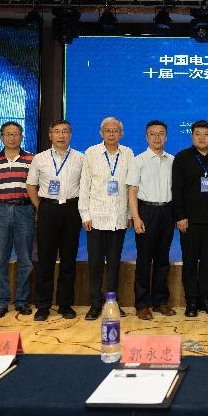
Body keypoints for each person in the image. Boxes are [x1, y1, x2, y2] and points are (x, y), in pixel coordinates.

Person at [27, 120, 84, 321]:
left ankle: (65, 304)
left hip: (71, 209)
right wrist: (40, 207)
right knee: (45, 260)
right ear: (50, 135)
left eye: (65, 131)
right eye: (57, 132)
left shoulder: (80, 158)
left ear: (70, 135)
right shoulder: (40, 158)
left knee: (69, 259)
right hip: (48, 209)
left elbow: (85, 186)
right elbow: (31, 186)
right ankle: (43, 305)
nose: (61, 135)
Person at [79, 117, 134, 320]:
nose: (111, 134)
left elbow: (130, 187)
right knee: (95, 264)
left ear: (121, 134)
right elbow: (84, 186)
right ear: (101, 133)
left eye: (115, 130)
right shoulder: (91, 153)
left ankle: (112, 303)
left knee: (114, 264)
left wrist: (129, 214)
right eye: (108, 131)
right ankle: (95, 304)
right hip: (96, 217)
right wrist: (85, 214)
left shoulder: (128, 153)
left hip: (118, 218)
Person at [172, 120, 208, 317]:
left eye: (206, 134)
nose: (202, 138)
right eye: (198, 134)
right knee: (190, 262)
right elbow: (176, 189)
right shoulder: (182, 158)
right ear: (192, 135)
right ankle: (191, 302)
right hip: (189, 221)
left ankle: (206, 300)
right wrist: (180, 216)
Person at [0, 121, 35, 318]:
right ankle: (1, 302)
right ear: (1, 137)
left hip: (24, 210)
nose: (12, 138)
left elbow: (36, 187)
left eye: (16, 134)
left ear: (21, 136)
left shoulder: (32, 159)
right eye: (8, 134)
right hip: (0, 211)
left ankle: (22, 301)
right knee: (0, 260)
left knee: (25, 260)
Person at [127, 120, 176, 320]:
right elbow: (132, 191)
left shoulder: (173, 160)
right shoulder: (138, 161)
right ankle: (142, 304)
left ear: (166, 136)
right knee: (144, 260)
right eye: (153, 134)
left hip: (167, 212)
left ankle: (160, 301)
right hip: (146, 211)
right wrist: (136, 217)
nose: (157, 137)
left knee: (163, 260)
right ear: (146, 137)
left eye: (161, 133)